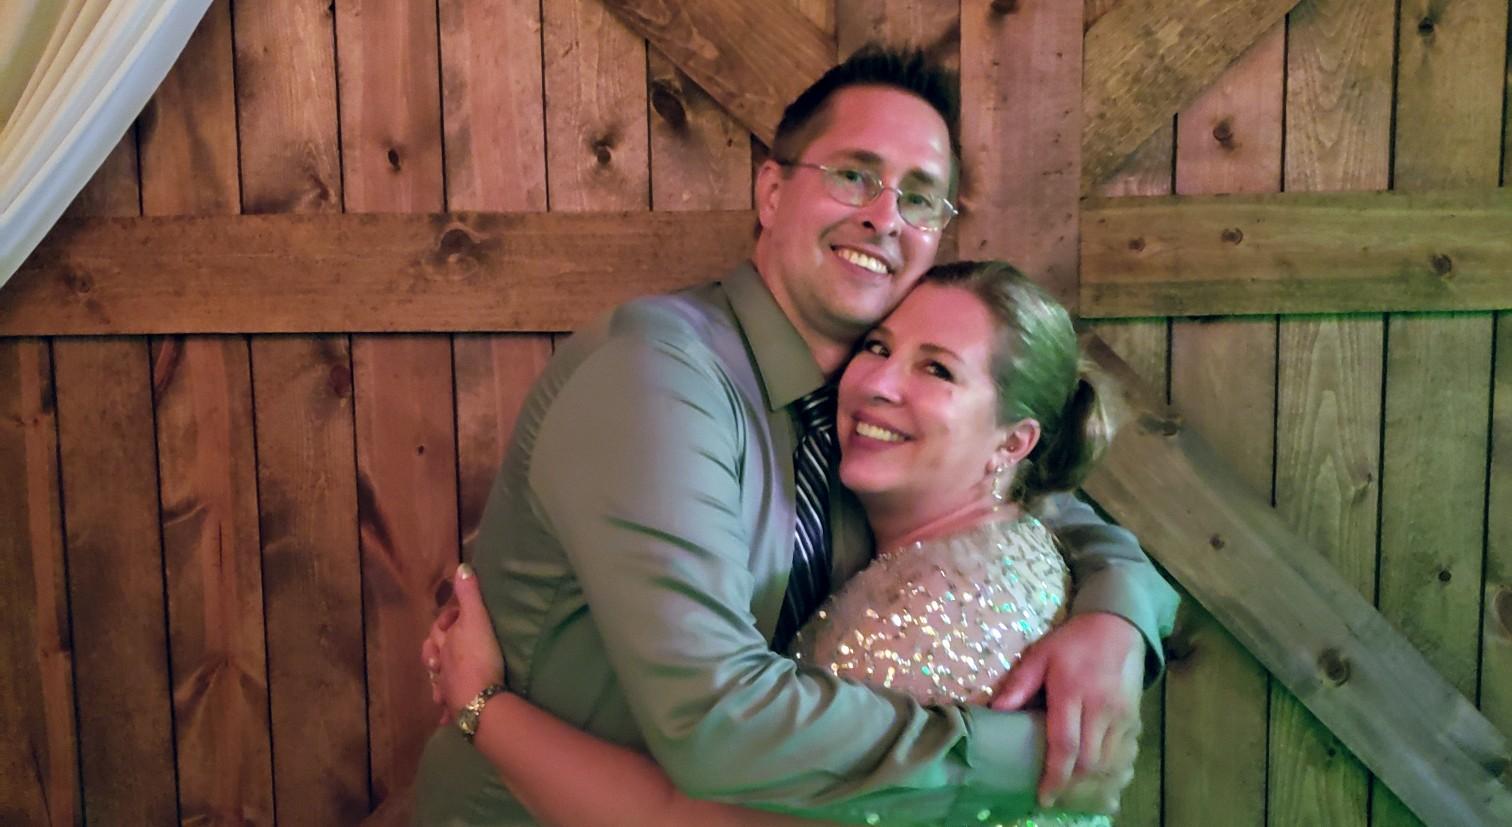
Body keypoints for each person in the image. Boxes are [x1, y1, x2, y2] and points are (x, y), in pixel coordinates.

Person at [413, 45, 1178, 825]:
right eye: (854, 175)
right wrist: (1024, 757)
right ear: (772, 192)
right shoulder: (657, 376)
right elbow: (716, 722)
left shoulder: (869, 398)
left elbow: (1038, 502)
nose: (884, 216)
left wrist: (1116, 621)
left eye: (919, 197)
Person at [425, 260, 1155, 827]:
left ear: (1015, 442)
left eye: (937, 369)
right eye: (878, 347)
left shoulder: (931, 616)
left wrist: (481, 704)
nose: (879, 383)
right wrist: (1118, 612)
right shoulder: (1001, 537)